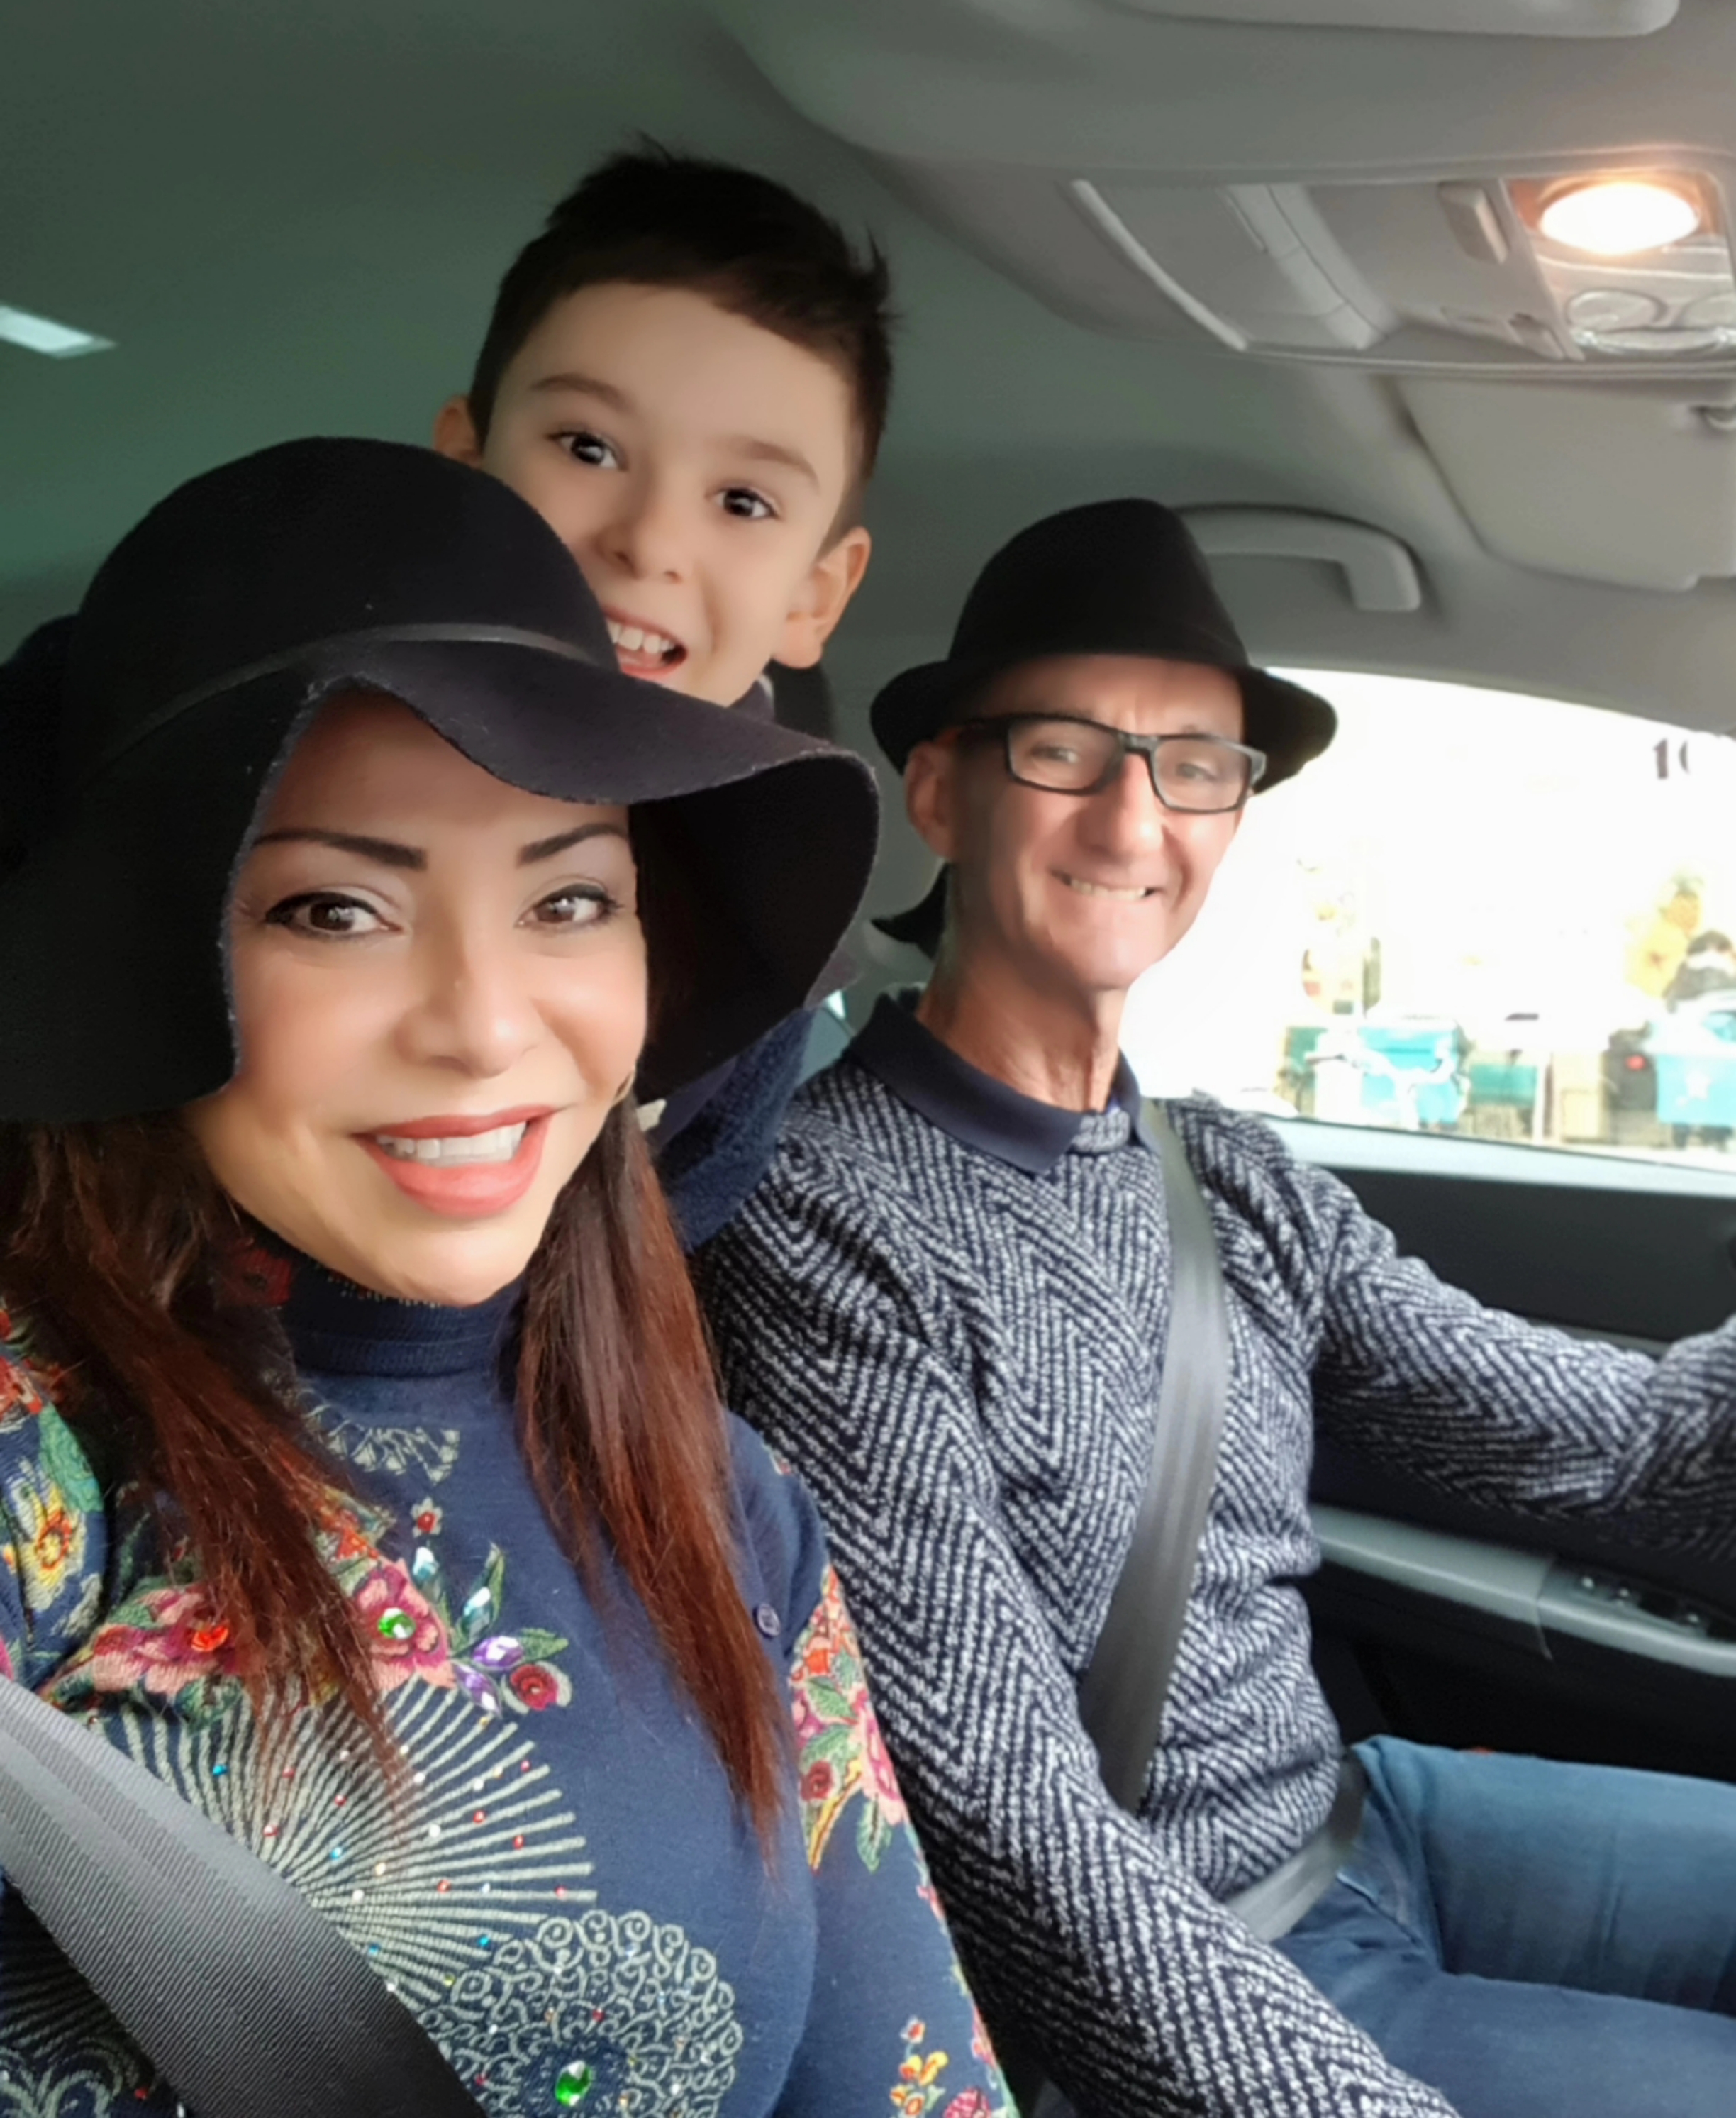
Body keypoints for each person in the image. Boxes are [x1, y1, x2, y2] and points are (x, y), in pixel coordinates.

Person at [0, 438, 1007, 2118]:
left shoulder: (723, 1497)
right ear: (146, 960)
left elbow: (910, 2078)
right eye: (334, 910)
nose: (483, 1024)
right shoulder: (48, 1461)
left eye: (571, 898)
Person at [699, 497, 1736, 2118]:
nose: (1134, 818)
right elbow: (1006, 1823)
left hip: (1363, 1826)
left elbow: (1614, 1446)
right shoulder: (821, 1217)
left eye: (1194, 764)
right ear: (941, 791)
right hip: (1183, 1958)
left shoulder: (1233, 1180)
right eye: (1065, 750)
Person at [433, 144, 893, 1247]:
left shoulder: (763, 932)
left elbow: (662, 1246)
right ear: (462, 469)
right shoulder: (266, 733)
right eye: (589, 447)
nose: (648, 542)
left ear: (815, 598)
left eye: (742, 501)